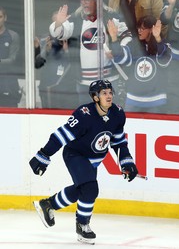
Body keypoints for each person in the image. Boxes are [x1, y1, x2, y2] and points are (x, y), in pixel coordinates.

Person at [29, 79, 138, 245]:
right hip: (75, 155)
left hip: (94, 160)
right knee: (91, 189)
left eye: (110, 92)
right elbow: (61, 136)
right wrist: (43, 155)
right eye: (104, 93)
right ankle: (82, 225)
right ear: (95, 97)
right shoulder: (83, 115)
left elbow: (119, 142)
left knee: (82, 190)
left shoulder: (117, 113)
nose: (109, 96)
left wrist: (126, 162)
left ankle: (48, 205)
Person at [49, 0, 132, 104]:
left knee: (109, 118)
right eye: (82, 0)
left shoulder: (111, 17)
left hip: (109, 83)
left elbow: (127, 37)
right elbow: (58, 32)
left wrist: (118, 49)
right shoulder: (76, 20)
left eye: (88, 0)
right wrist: (58, 23)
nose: (84, 3)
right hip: (84, 86)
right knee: (87, 119)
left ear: (98, 1)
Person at [122, 15, 172, 113]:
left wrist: (158, 38)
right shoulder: (134, 46)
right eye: (138, 28)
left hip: (156, 100)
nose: (139, 31)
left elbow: (165, 62)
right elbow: (122, 58)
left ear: (151, 29)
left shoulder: (164, 45)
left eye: (143, 29)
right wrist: (114, 39)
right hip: (133, 99)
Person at [0, 6, 21, 107]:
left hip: (8, 83)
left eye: (0, 16)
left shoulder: (13, 35)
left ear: (5, 18)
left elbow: (12, 59)